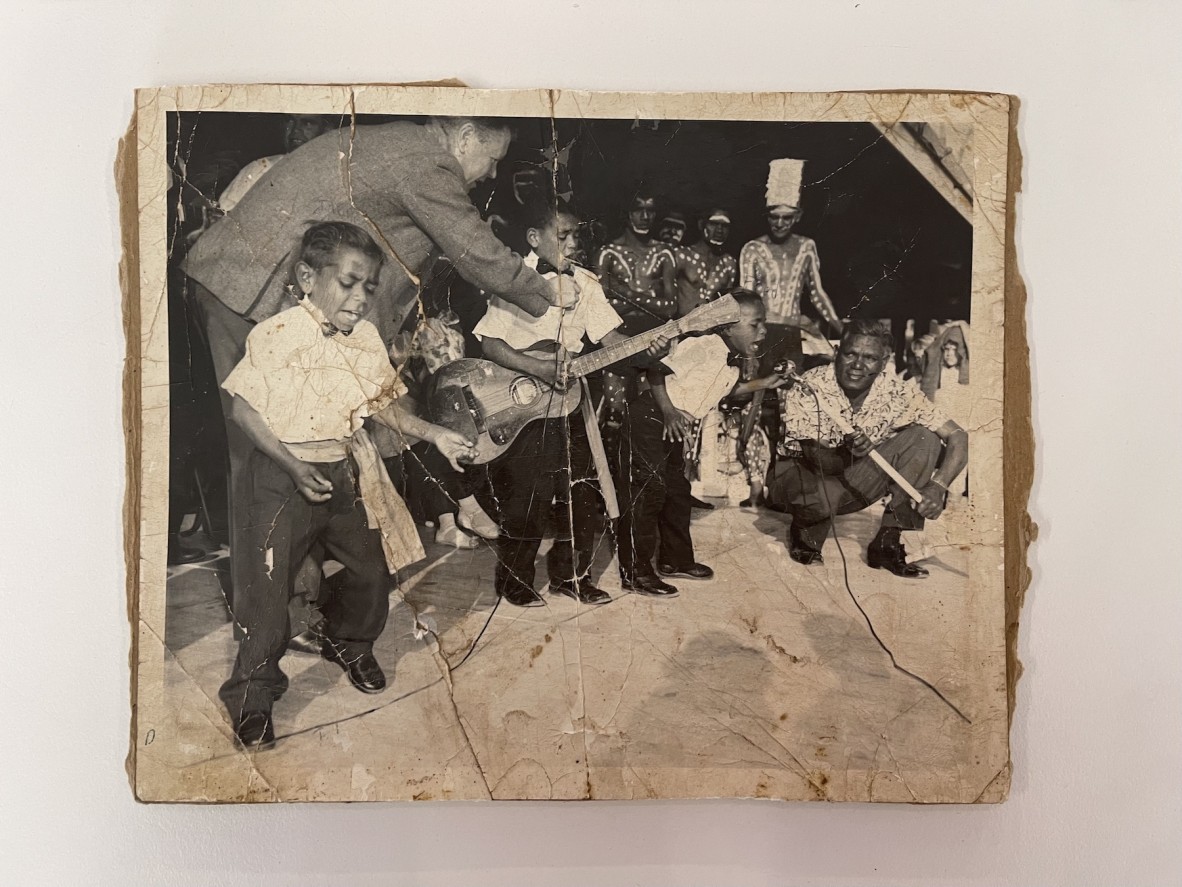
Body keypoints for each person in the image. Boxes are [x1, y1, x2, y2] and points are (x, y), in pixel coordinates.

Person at [182, 116, 580, 647]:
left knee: (308, 454)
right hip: (245, 290)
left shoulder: (402, 147)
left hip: (253, 286)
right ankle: (279, 620)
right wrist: (548, 291)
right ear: (464, 138)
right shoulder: (427, 160)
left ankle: (295, 603)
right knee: (265, 463)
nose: (491, 174)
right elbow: (472, 247)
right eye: (493, 158)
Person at [217, 221, 476, 750]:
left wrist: (437, 435)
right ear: (308, 277)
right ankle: (252, 696)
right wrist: (291, 465)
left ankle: (351, 642)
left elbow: (383, 406)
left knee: (371, 572)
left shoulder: (365, 340)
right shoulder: (276, 335)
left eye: (370, 288)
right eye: (349, 282)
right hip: (278, 477)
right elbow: (245, 410)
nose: (360, 299)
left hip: (341, 471)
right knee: (266, 597)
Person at [475, 200, 646, 607]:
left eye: (576, 235)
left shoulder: (587, 283)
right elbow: (489, 342)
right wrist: (535, 364)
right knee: (528, 495)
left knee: (583, 489)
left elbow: (609, 342)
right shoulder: (517, 280)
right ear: (534, 238)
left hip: (571, 402)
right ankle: (514, 581)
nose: (573, 243)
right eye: (562, 235)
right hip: (522, 403)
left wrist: (651, 347)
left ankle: (573, 576)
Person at [615, 289, 790, 594]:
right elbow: (655, 370)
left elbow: (722, 389)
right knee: (649, 492)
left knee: (678, 491)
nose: (763, 330)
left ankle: (675, 560)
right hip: (651, 417)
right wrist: (669, 412)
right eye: (755, 324)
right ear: (727, 326)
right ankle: (636, 572)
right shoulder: (703, 346)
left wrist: (764, 383)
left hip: (671, 424)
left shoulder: (728, 359)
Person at [766, 320, 969, 577]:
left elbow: (959, 436)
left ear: (884, 362)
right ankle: (806, 530)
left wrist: (938, 486)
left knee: (924, 438)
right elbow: (819, 462)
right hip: (799, 476)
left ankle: (887, 542)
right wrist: (849, 451)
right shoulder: (808, 387)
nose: (858, 365)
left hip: (849, 477)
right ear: (837, 353)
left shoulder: (897, 391)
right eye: (850, 354)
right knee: (822, 496)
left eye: (870, 358)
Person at [739, 158, 843, 368]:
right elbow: (745, 300)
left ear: (798, 216)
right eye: (774, 217)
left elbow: (817, 293)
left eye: (786, 218)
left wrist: (841, 328)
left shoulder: (807, 246)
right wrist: (747, 348)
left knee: (791, 389)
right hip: (763, 331)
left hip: (794, 331)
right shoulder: (752, 248)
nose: (779, 224)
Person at [664, 208, 739, 316]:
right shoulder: (681, 255)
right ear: (701, 225)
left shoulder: (728, 263)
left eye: (725, 226)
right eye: (714, 224)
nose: (719, 230)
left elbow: (726, 304)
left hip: (712, 328)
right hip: (681, 327)